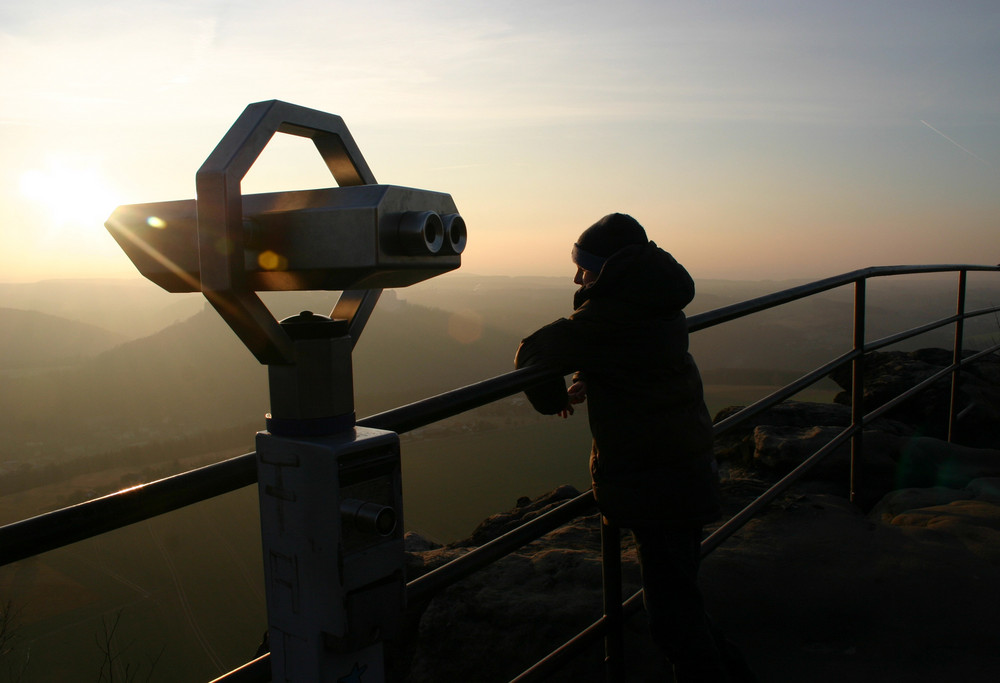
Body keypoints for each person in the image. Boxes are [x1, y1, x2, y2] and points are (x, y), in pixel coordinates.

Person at [514, 214, 751, 682]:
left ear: (608, 271)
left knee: (672, 618)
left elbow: (533, 350)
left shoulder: (607, 317)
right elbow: (628, 356)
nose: (577, 277)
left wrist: (556, 398)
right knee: (680, 597)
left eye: (584, 267)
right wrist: (587, 373)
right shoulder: (656, 302)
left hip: (654, 480)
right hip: (686, 464)